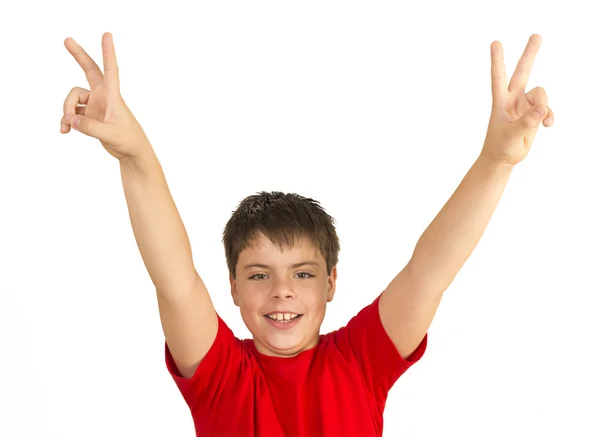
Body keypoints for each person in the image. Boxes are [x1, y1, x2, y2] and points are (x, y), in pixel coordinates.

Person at [60, 32, 554, 436]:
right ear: (231, 286)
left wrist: (497, 162)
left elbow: (429, 273)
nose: (283, 291)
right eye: (258, 274)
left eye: (302, 272)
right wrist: (135, 154)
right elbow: (173, 275)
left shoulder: (361, 362)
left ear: (332, 283)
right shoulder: (220, 377)